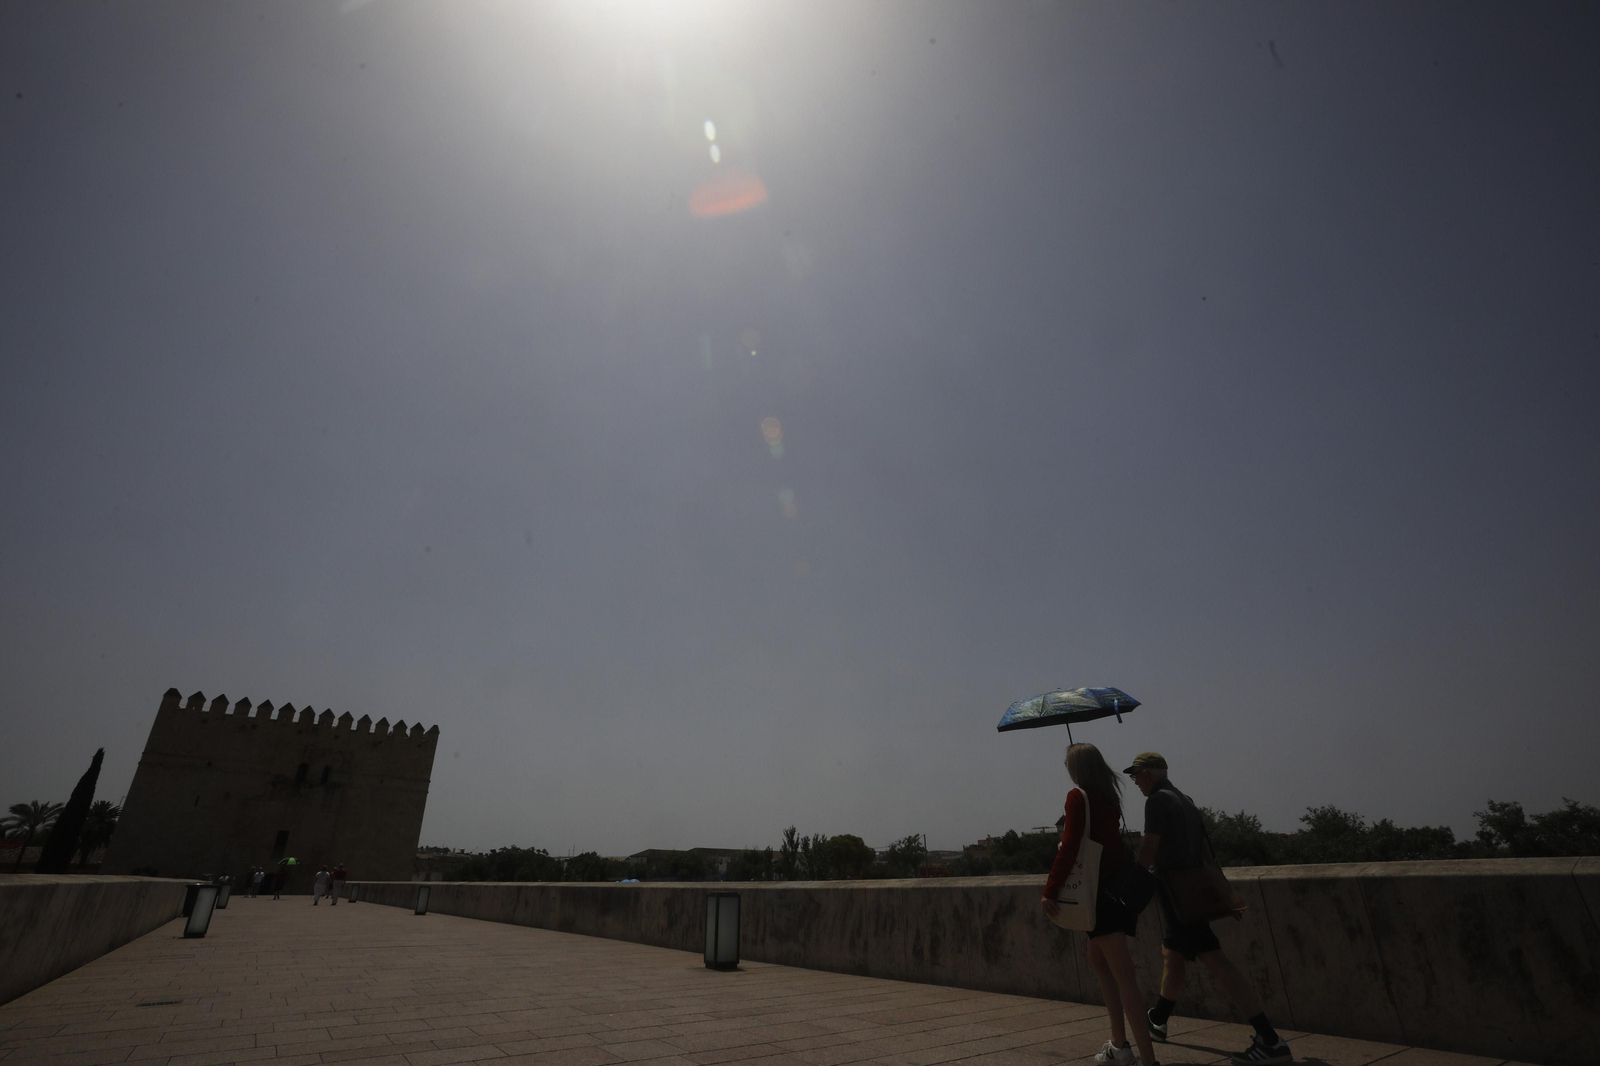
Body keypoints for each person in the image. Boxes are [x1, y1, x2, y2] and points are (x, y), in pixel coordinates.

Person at [1125, 752, 1293, 1065]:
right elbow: (1206, 853)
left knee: (1215, 959)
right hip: (1193, 891)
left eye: (1136, 777)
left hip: (1177, 894)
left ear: (1146, 774)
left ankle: (1270, 1040)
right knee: (1173, 954)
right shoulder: (1185, 800)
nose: (1135, 783)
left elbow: (1149, 849)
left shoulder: (1156, 802)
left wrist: (1130, 887)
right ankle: (1158, 1020)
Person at [1042, 743, 1159, 1066]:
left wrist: (1051, 889)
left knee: (1123, 978)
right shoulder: (1109, 798)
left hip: (1100, 896)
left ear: (1077, 768)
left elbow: (1071, 847)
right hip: (1117, 892)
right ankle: (1119, 1044)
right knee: (1100, 965)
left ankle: (1147, 1059)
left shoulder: (1077, 797)